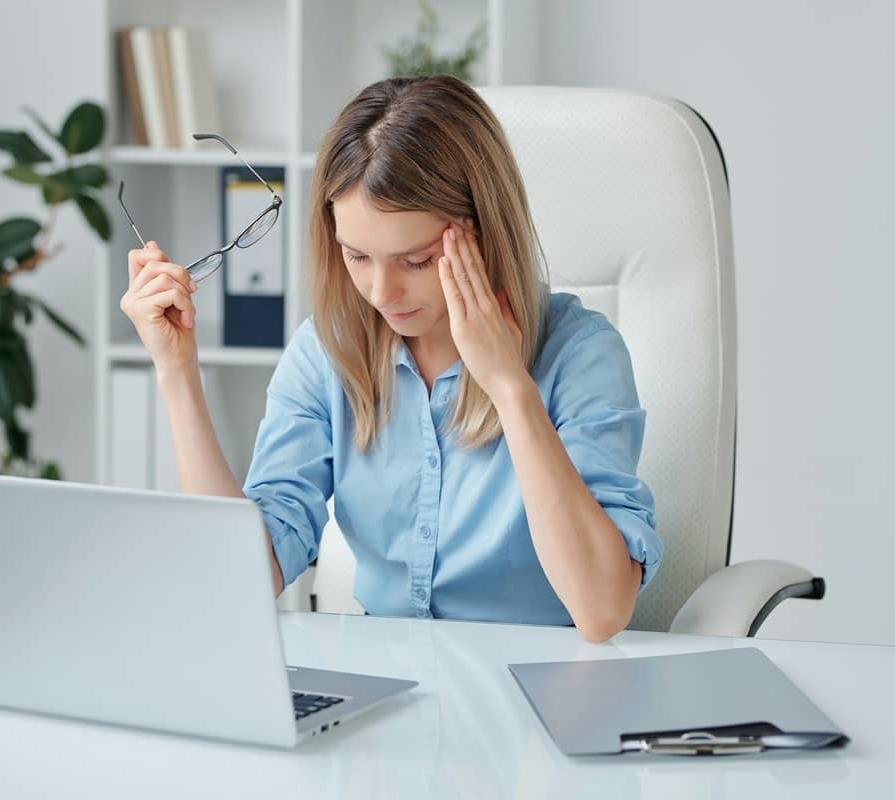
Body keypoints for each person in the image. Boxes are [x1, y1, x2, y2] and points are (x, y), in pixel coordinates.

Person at [119, 75, 661, 643]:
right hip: (385, 687)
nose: (381, 293)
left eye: (417, 261)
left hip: (537, 688)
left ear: (484, 235)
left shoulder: (580, 354)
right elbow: (232, 581)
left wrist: (509, 386)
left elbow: (602, 609)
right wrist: (177, 371)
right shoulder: (327, 352)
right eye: (357, 256)